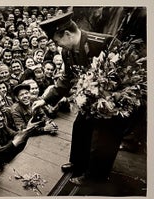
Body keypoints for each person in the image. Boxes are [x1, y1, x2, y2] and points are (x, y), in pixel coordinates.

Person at [32, 12, 125, 184]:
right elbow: (67, 78)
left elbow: (125, 75)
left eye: (56, 41)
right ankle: (78, 162)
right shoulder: (67, 53)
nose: (56, 45)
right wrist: (45, 99)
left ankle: (95, 176)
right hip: (91, 101)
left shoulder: (105, 43)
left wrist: (108, 97)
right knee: (81, 126)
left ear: (67, 34)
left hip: (112, 102)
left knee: (104, 138)